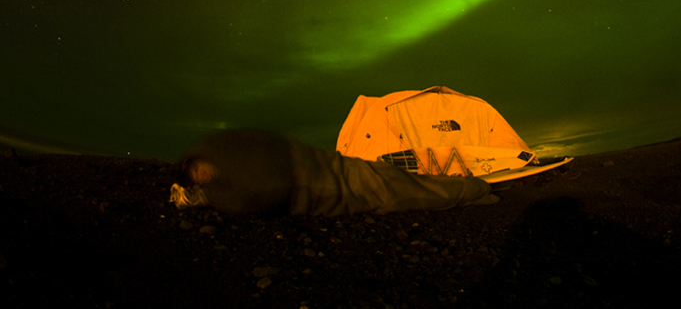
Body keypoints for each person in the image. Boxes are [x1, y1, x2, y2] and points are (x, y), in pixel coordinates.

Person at [170, 129, 498, 215]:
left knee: (401, 179)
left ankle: (472, 189)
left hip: (336, 167)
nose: (204, 173)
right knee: (407, 192)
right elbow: (268, 197)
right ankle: (473, 191)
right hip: (336, 191)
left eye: (199, 168)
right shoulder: (229, 193)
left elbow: (275, 149)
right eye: (199, 178)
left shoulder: (235, 154)